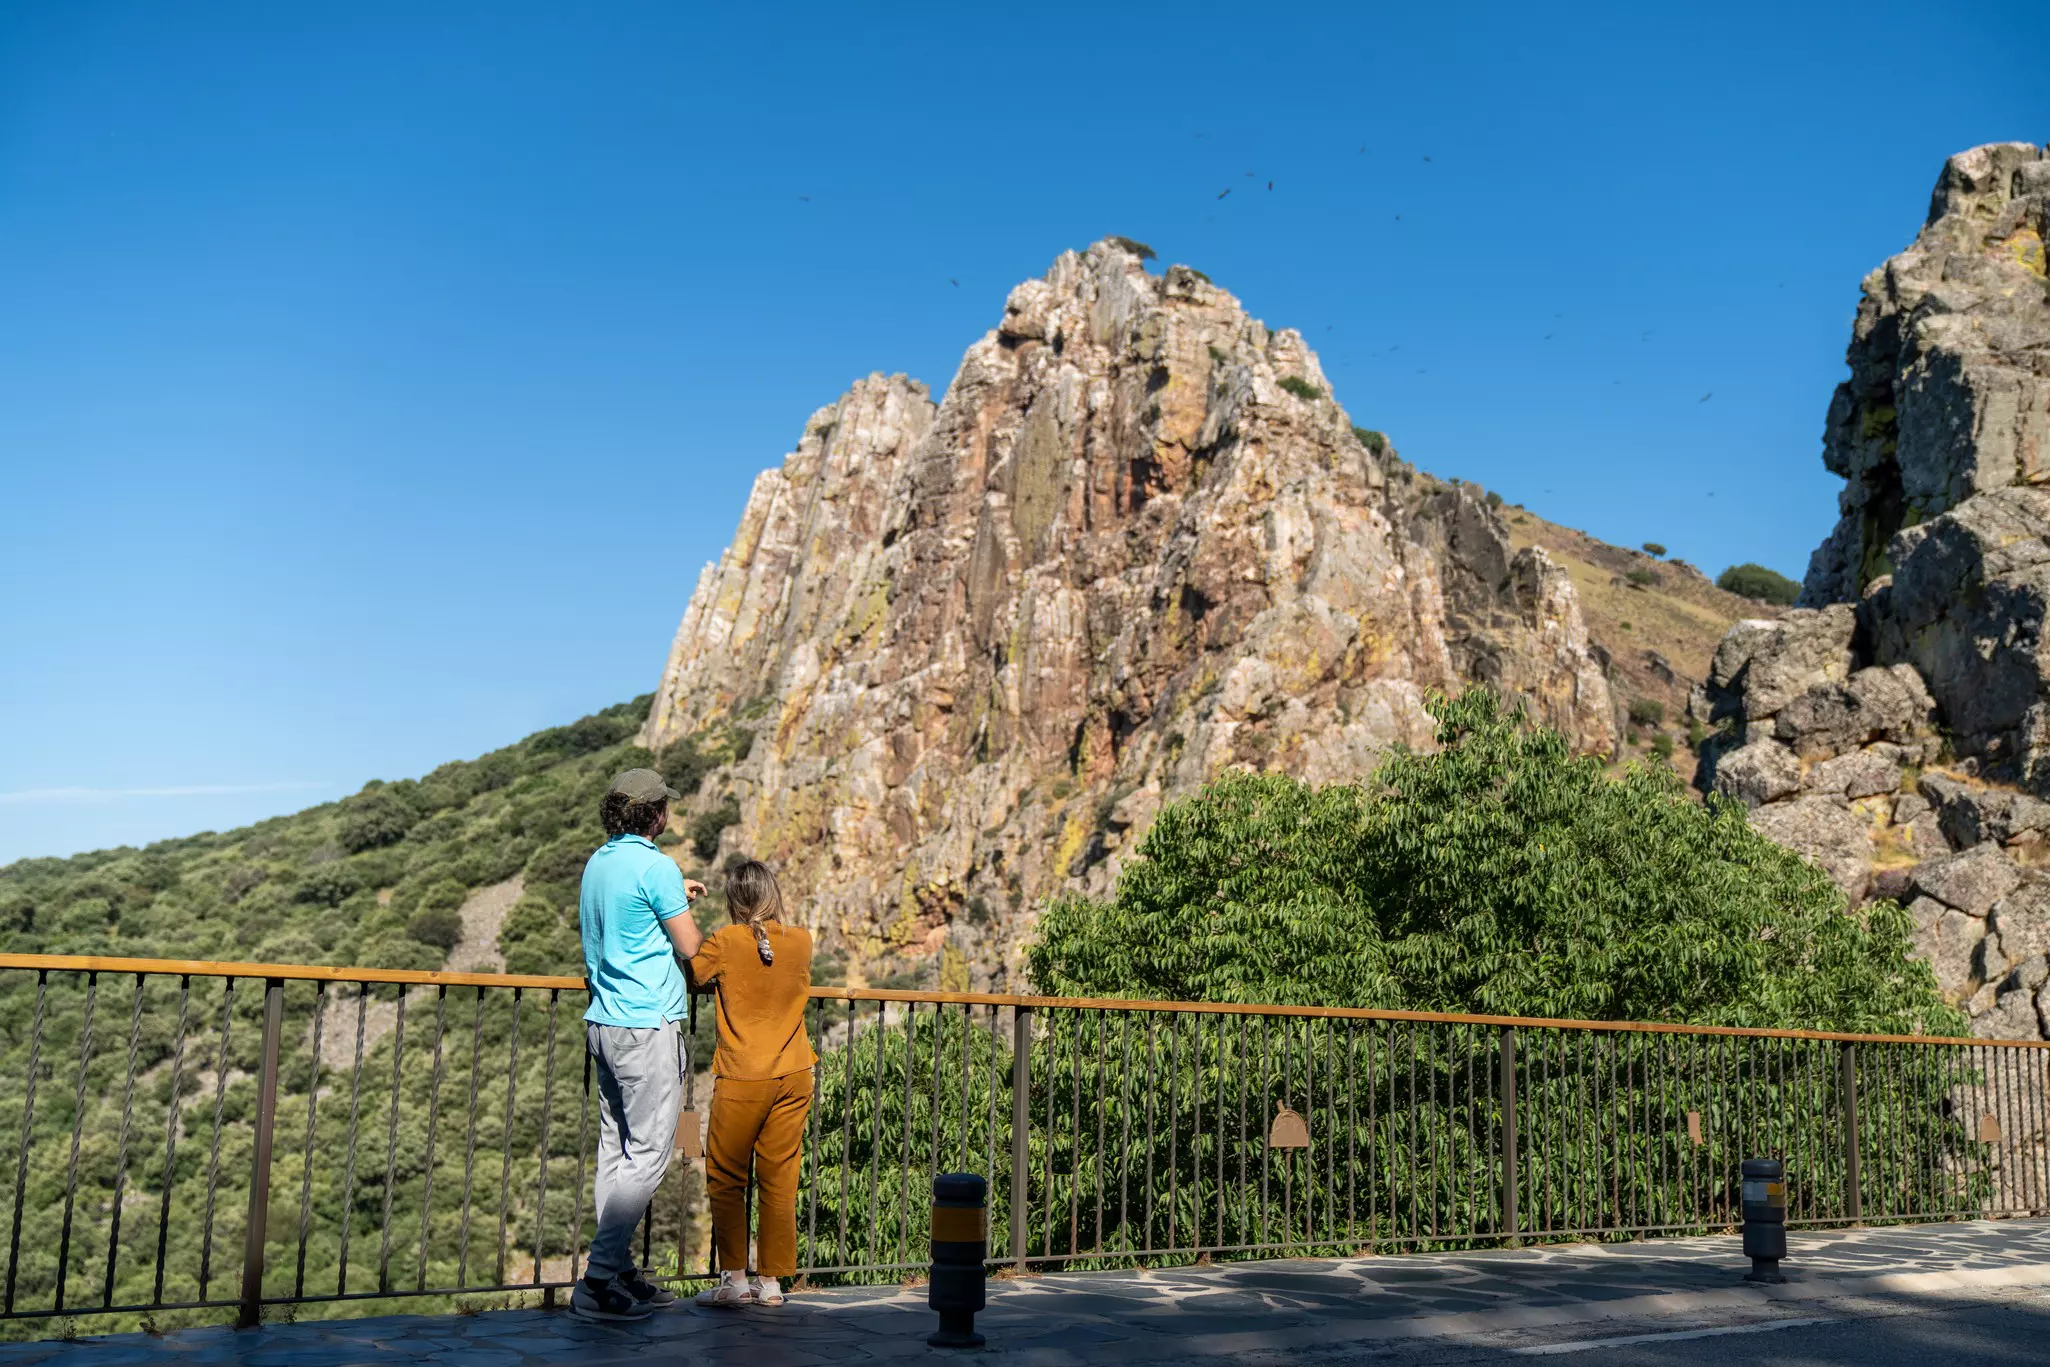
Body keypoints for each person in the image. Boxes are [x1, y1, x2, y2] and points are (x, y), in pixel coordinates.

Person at [572, 767, 707, 1323]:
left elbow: (621, 925)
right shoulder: (657, 866)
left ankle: (620, 1269)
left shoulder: (598, 862)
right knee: (649, 1154)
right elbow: (691, 946)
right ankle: (597, 1281)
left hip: (603, 1020)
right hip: (647, 1024)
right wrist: (680, 897)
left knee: (617, 1148)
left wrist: (677, 892)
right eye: (664, 807)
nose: (668, 813)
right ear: (653, 813)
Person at [688, 859, 816, 1308]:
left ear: (733, 902)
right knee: (780, 1178)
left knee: (726, 1176)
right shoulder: (801, 941)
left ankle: (735, 1281)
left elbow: (693, 974)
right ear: (773, 894)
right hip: (796, 1072)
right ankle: (774, 1284)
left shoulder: (725, 941)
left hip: (744, 1074)